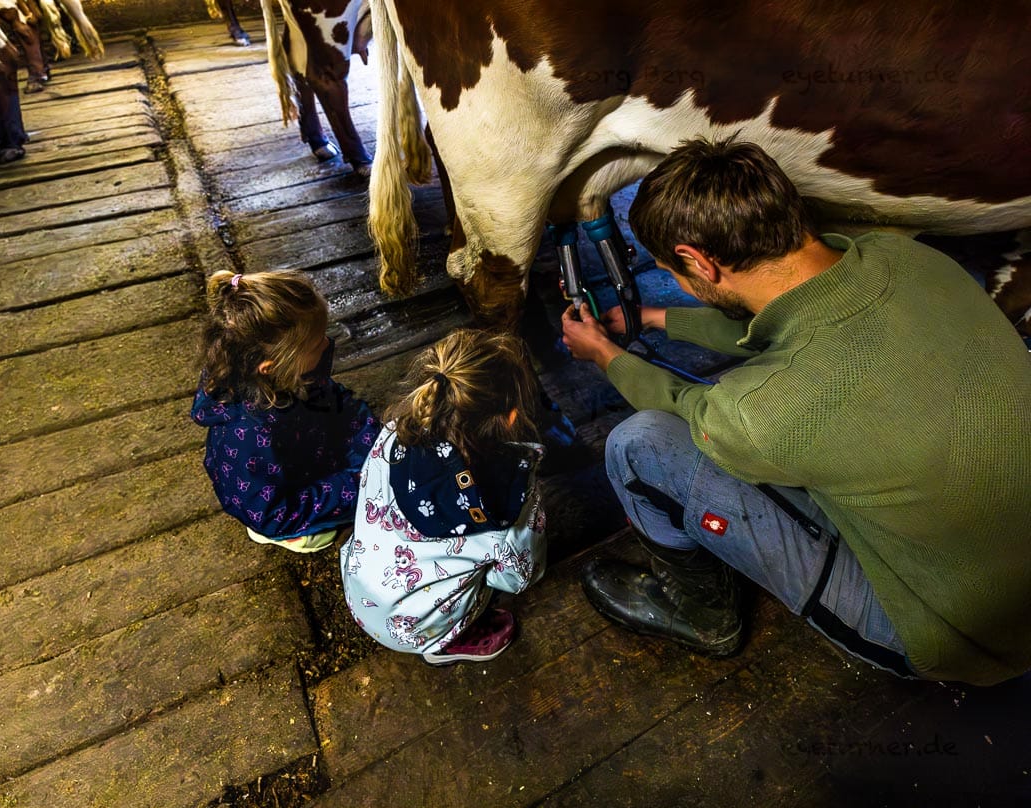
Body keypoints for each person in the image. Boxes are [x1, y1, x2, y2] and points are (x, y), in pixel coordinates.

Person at [560, 137, 1031, 686]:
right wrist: (660, 316)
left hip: (965, 637)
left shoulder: (764, 414)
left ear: (697, 261)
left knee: (638, 446)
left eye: (672, 270)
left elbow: (682, 404)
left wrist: (605, 356)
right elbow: (791, 321)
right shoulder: (905, 257)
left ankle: (702, 614)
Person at [341, 329, 548, 665]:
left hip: (361, 589)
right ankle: (446, 644)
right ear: (511, 417)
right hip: (415, 629)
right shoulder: (508, 503)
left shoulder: (393, 434)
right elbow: (520, 578)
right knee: (490, 578)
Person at [190, 269, 380, 551]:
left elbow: (339, 403)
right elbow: (271, 513)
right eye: (317, 344)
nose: (327, 344)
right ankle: (293, 535)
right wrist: (356, 485)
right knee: (329, 526)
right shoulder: (246, 437)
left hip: (308, 452)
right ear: (271, 367)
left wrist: (374, 438)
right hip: (276, 503)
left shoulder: (287, 374)